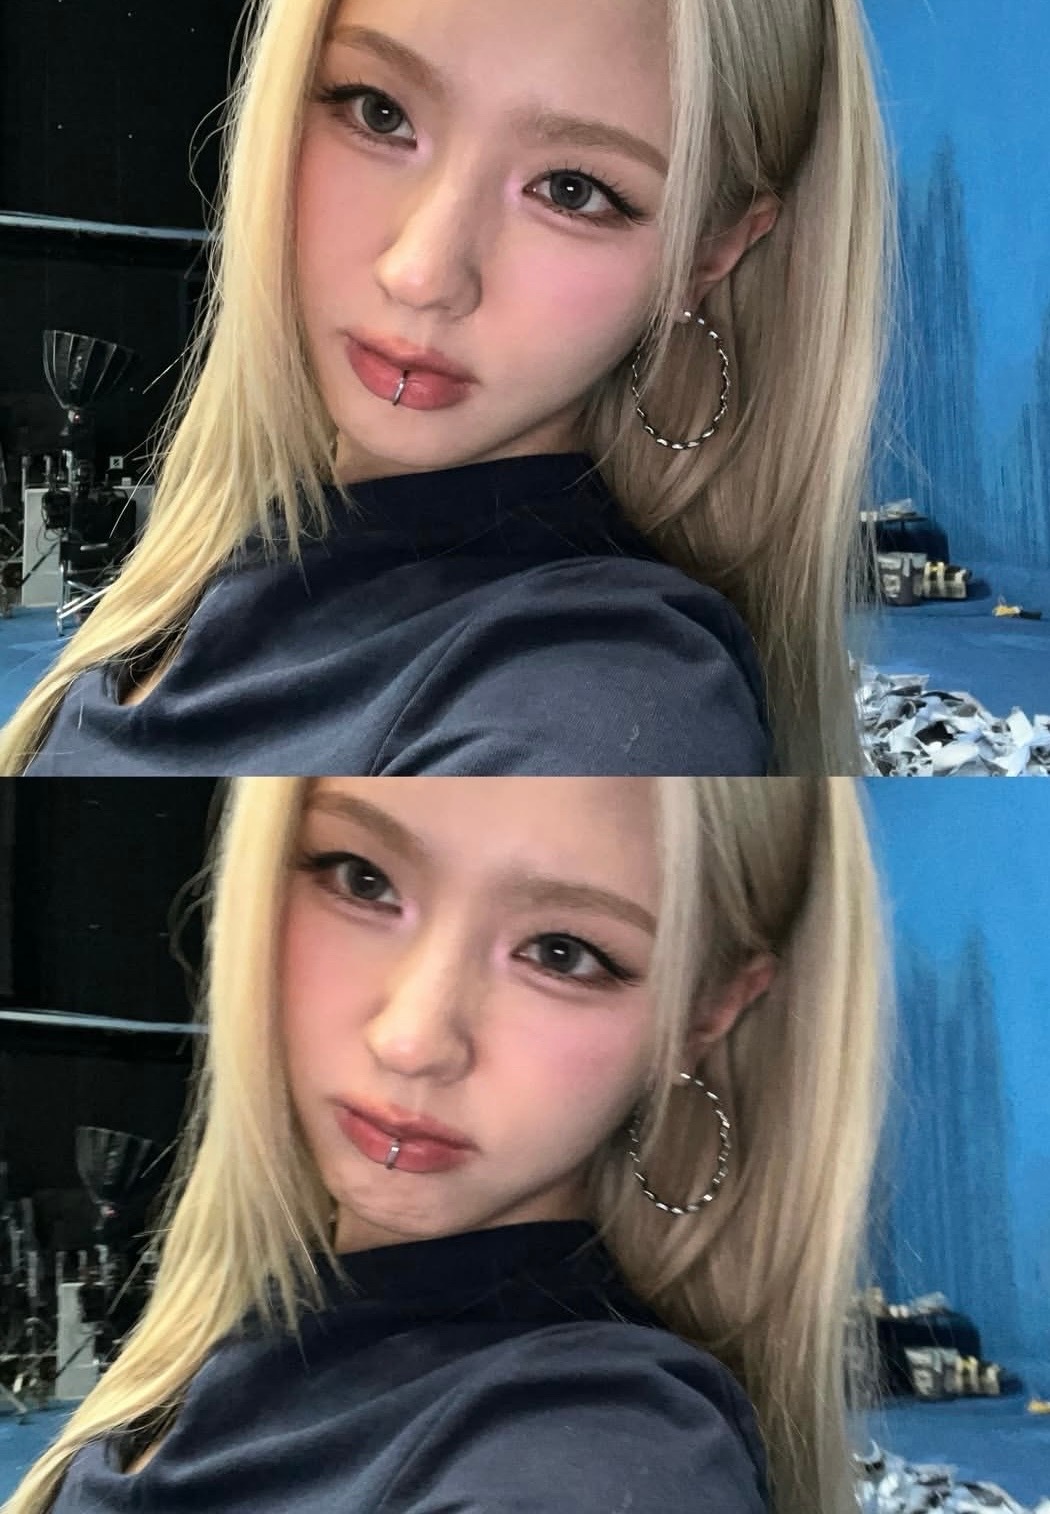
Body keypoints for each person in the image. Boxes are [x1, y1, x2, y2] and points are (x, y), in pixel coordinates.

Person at [3, 0, 899, 778]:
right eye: (380, 112)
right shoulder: (245, 543)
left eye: (573, 190)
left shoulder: (609, 690)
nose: (422, 274)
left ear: (711, 253)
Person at [6, 776, 893, 1514]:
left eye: (563, 953)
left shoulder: (600, 1453)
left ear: (708, 1012)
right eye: (362, 880)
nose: (413, 1042)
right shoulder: (260, 1321)